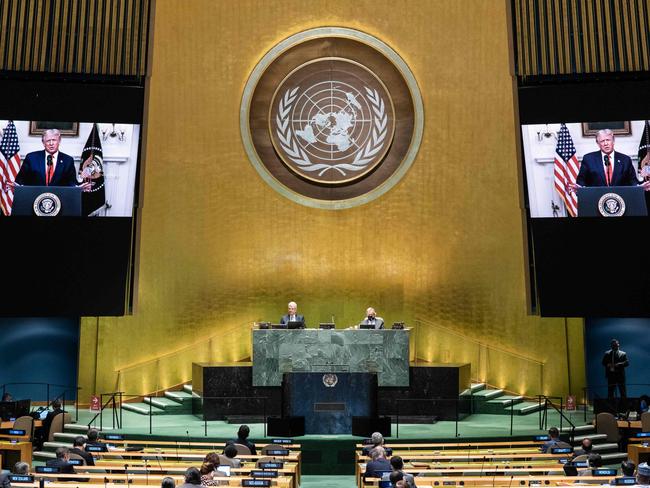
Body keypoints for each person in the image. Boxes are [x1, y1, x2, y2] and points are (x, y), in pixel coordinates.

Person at [12, 129, 89, 189]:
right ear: (43, 142)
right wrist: (16, 185)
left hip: (59, 201)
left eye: (54, 140)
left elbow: (71, 183)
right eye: (48, 140)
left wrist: (80, 182)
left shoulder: (68, 160)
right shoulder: (31, 158)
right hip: (34, 198)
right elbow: (20, 180)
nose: (51, 143)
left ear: (59, 141)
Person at [574, 129, 650, 190]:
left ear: (613, 141)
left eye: (608, 140)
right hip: (596, 200)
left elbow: (632, 181)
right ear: (598, 143)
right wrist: (580, 188)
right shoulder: (588, 159)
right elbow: (581, 181)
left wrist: (639, 187)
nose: (606, 143)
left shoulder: (625, 160)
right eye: (602, 141)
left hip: (621, 199)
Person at [602, 339, 629, 406]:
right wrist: (608, 364)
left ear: (618, 345)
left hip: (620, 376)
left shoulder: (623, 353)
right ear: (611, 346)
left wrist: (619, 364)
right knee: (610, 393)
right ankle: (611, 408)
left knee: (623, 392)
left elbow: (627, 363)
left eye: (617, 345)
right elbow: (603, 362)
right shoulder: (607, 353)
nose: (616, 346)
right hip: (611, 376)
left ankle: (623, 407)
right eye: (614, 345)